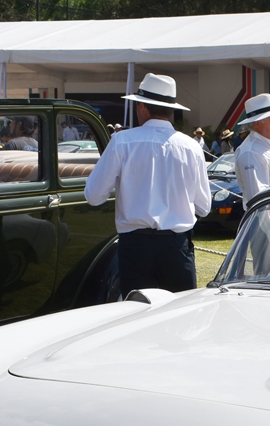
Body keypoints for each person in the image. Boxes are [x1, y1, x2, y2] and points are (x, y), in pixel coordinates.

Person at [83, 73, 210, 294]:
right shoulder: (191, 147)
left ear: (142, 107)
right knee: (180, 317)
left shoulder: (122, 141)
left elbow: (93, 195)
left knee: (139, 316)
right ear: (171, 110)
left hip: (136, 246)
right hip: (176, 246)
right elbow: (204, 207)